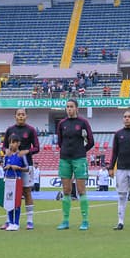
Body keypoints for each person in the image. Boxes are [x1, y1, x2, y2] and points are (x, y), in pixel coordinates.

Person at [55, 99, 95, 231]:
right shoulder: (62, 123)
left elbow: (91, 141)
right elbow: (60, 142)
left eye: (71, 106)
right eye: (67, 107)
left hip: (79, 159)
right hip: (65, 159)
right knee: (66, 190)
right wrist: (66, 151)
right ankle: (65, 220)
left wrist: (81, 151)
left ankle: (85, 220)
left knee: (81, 190)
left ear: (77, 108)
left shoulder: (83, 123)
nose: (69, 109)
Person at [2, 109, 41, 229]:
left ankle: (30, 221)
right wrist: (5, 151)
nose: (21, 116)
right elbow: (4, 146)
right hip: (11, 167)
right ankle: (9, 220)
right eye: (18, 114)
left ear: (26, 116)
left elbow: (37, 147)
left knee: (27, 192)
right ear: (15, 116)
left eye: (23, 114)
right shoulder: (10, 130)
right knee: (10, 193)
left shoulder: (31, 130)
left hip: (26, 165)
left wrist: (27, 151)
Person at [2, 138, 28, 231]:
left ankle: (16, 223)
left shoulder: (21, 155)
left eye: (13, 142)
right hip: (8, 180)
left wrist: (18, 168)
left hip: (17, 181)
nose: (11, 144)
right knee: (9, 203)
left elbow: (27, 168)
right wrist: (7, 167)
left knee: (16, 203)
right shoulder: (7, 155)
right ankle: (10, 222)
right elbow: (3, 167)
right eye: (10, 143)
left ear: (18, 143)